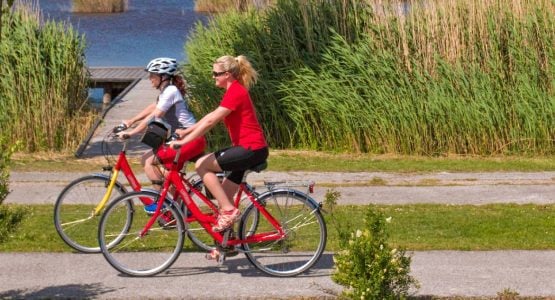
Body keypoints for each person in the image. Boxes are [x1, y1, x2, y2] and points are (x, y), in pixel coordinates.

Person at [170, 55, 268, 232]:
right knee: (224, 199)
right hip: (249, 149)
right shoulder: (233, 91)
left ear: (228, 74)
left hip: (250, 149)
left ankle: (230, 211)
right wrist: (186, 131)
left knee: (201, 165)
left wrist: (185, 141)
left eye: (216, 73)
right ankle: (226, 245)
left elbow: (211, 122)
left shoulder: (236, 92)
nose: (213, 76)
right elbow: (209, 116)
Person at [117, 57, 206, 213]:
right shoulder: (167, 91)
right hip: (184, 139)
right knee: (169, 175)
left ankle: (161, 204)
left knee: (147, 160)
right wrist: (130, 121)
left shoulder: (171, 91)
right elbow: (153, 107)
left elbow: (156, 114)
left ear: (163, 77)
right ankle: (182, 208)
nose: (150, 78)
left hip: (189, 139)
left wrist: (132, 133)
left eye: (153, 75)